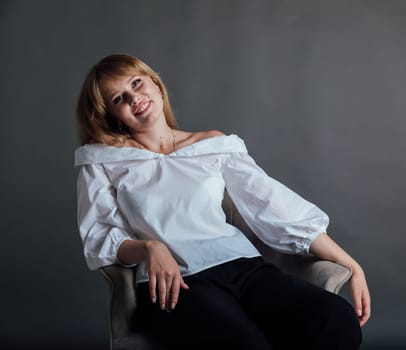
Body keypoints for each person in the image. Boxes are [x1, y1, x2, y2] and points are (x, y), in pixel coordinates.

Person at [74, 53, 370, 349]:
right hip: (175, 286)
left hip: (243, 268)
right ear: (111, 115)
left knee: (334, 319)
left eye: (136, 83)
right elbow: (99, 236)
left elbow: (273, 204)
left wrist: (351, 265)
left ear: (154, 81)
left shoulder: (211, 145)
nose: (134, 98)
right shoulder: (103, 160)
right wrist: (149, 248)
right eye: (119, 99)